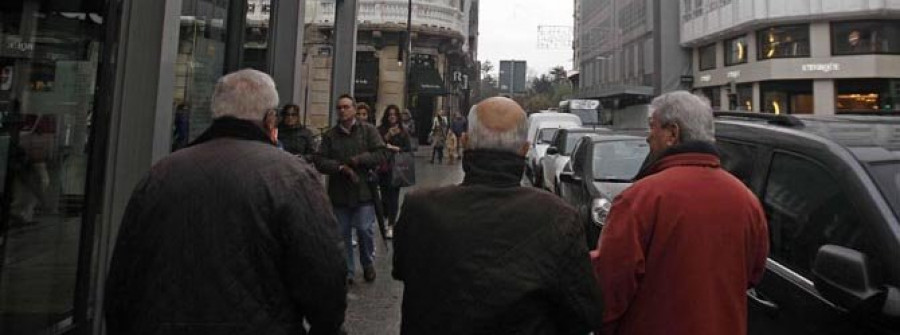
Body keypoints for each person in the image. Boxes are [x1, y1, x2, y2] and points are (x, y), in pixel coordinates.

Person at [104, 69, 347, 335]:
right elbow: (324, 275)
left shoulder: (160, 173)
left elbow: (122, 277)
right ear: (270, 119)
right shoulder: (291, 176)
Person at [392, 97, 603, 335]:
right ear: (525, 149)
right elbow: (585, 312)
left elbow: (402, 270)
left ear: (466, 142)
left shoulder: (419, 208)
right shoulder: (560, 217)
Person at [591, 91, 769, 335]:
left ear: (672, 133)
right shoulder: (747, 201)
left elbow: (610, 286)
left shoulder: (640, 198)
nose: (647, 137)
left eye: (652, 127)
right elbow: (753, 273)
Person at [315, 94, 387, 284]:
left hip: (363, 190)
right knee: (342, 233)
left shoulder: (368, 131)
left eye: (346, 107)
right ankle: (347, 270)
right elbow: (320, 160)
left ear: (354, 109)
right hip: (340, 192)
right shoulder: (330, 135)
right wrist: (340, 167)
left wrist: (360, 160)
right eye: (339, 107)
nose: (343, 111)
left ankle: (367, 262)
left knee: (364, 229)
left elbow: (381, 153)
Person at [377, 104, 412, 239]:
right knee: (384, 196)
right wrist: (387, 136)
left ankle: (391, 224)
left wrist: (396, 148)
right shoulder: (380, 130)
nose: (392, 117)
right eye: (390, 114)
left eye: (394, 115)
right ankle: (385, 217)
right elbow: (376, 145)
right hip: (383, 167)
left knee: (393, 197)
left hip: (397, 167)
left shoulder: (403, 132)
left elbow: (408, 150)